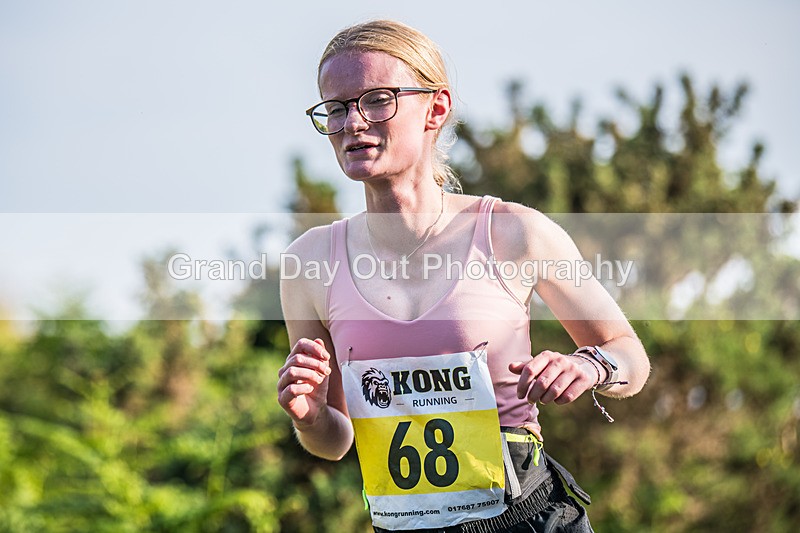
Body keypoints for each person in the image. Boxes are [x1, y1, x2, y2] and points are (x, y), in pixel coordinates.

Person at [277, 19, 650, 532]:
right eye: (336, 107)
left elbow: (630, 356)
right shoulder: (308, 262)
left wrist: (593, 365)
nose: (352, 123)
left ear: (436, 107)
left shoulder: (514, 232)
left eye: (376, 100)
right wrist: (311, 417)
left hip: (528, 519)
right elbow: (336, 440)